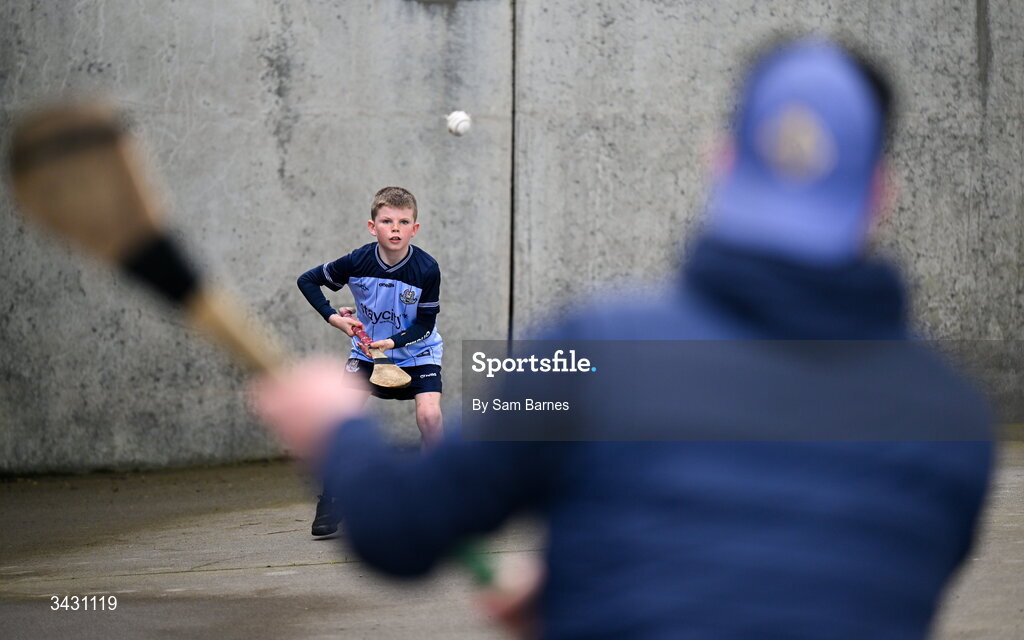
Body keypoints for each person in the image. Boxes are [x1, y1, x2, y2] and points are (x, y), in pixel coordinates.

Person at [257, 38, 993, 638]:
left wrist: (337, 429)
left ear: (720, 162)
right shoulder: (953, 425)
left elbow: (399, 529)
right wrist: (619, 586)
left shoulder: (592, 351)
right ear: (881, 194)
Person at [295, 186, 444, 536]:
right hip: (366, 353)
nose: (395, 228)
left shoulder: (426, 269)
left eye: (403, 221)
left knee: (430, 415)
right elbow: (308, 280)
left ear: (415, 229)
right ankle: (331, 500)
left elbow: (425, 324)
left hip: (417, 353)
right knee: (341, 418)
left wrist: (394, 341)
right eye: (387, 221)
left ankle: (440, 493)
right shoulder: (357, 261)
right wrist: (335, 317)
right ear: (371, 226)